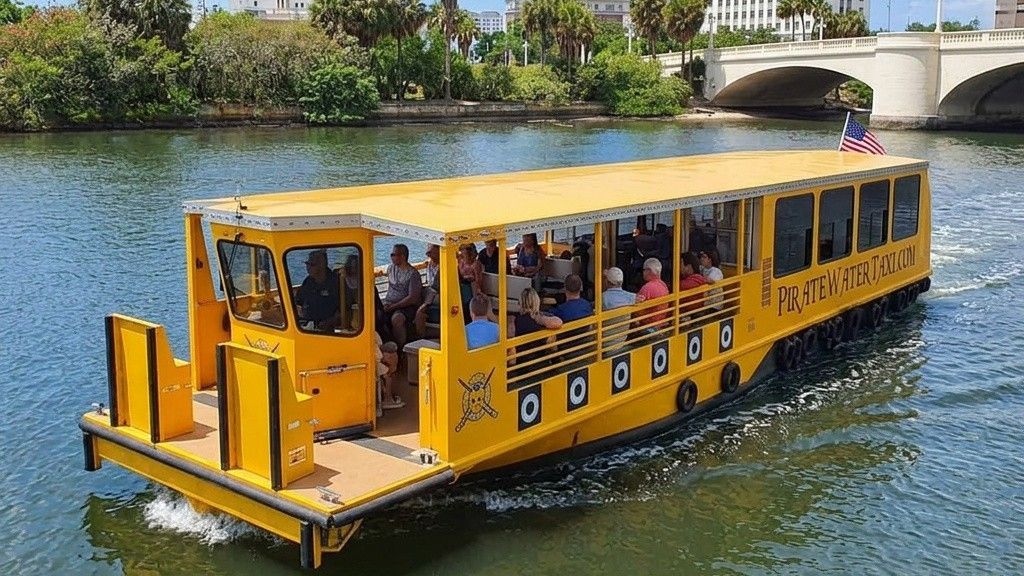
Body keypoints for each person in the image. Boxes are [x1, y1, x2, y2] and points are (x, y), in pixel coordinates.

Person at [382, 243, 422, 348]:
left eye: (393, 255)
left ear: (402, 256)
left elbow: (412, 298)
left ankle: (400, 348)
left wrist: (394, 307)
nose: (391, 257)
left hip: (406, 307)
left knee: (397, 319)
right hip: (389, 302)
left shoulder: (413, 274)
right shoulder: (390, 269)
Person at [511, 287, 562, 367]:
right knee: (552, 337)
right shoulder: (539, 318)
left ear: (520, 302)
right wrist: (539, 317)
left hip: (521, 363)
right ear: (536, 301)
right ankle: (557, 362)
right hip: (539, 362)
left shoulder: (515, 319)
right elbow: (558, 322)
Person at [294, 249, 339, 332]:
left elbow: (345, 309)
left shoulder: (336, 282)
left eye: (311, 264)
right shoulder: (308, 281)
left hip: (328, 330)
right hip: (306, 326)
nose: (308, 267)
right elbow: (298, 301)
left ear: (322, 265)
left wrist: (329, 322)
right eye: (307, 264)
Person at [602, 267, 636, 353]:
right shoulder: (632, 297)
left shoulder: (602, 298)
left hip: (604, 344)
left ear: (607, 282)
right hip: (622, 341)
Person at [634, 258, 670, 331]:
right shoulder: (663, 285)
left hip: (648, 327)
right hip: (660, 323)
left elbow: (636, 310)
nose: (642, 273)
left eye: (644, 270)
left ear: (649, 271)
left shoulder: (647, 288)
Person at [414, 244, 441, 337]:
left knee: (420, 311)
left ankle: (420, 334)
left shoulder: (443, 266)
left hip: (439, 293)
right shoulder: (430, 264)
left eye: (430, 252)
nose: (428, 255)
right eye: (428, 252)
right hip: (431, 291)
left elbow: (436, 286)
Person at [680, 252, 708, 318]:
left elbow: (676, 287)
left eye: (680, 264)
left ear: (689, 267)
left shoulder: (692, 281)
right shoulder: (699, 278)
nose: (678, 267)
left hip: (688, 316)